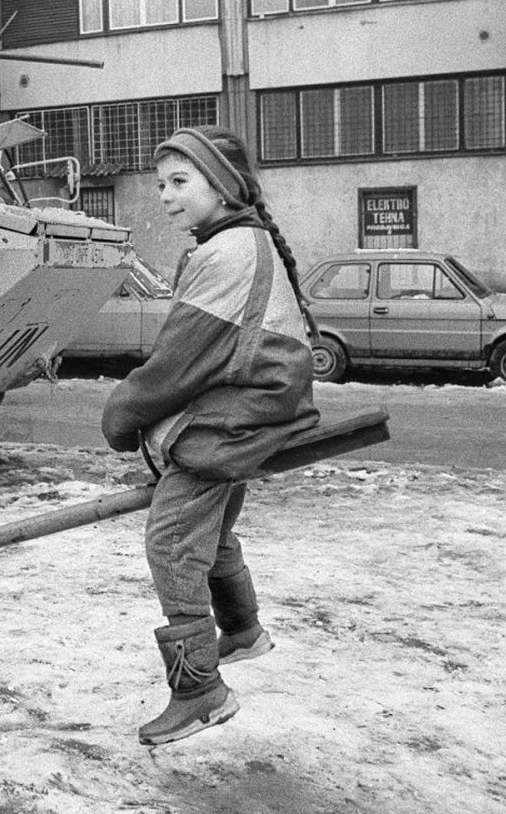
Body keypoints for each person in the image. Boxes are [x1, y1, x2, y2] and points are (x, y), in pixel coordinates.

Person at [100, 126, 319, 746]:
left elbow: (176, 363)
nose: (166, 197)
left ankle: (199, 691)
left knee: (172, 543)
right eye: (160, 185)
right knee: (212, 531)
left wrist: (121, 415)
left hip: (241, 411)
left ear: (221, 185)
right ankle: (244, 631)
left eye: (179, 182)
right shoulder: (239, 239)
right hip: (264, 397)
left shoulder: (226, 253)